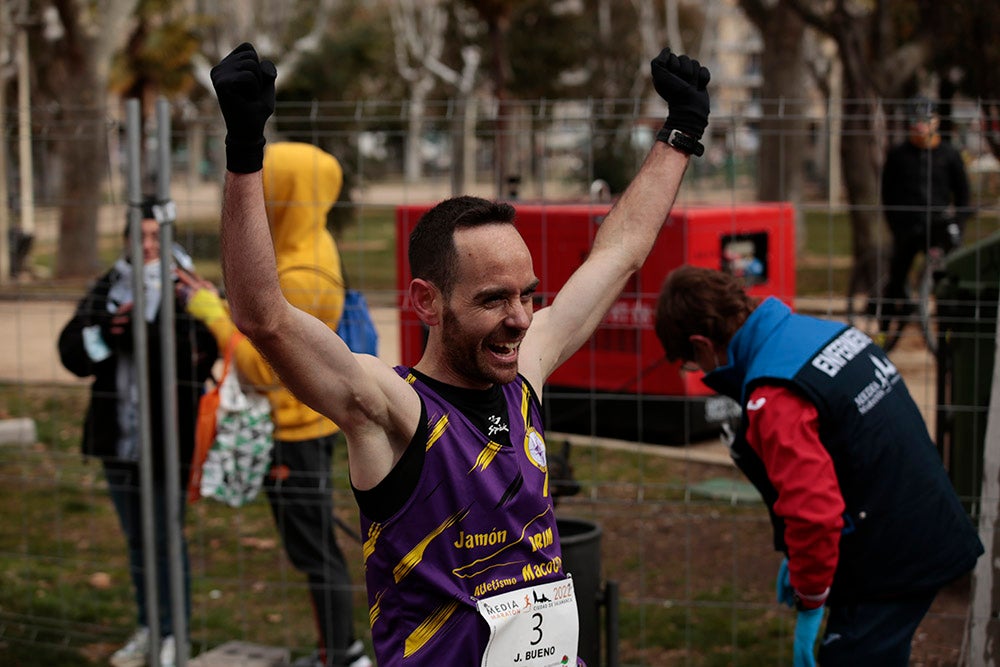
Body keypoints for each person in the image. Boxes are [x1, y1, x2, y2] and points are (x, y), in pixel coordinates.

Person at [209, 41, 710, 667]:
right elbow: (263, 315)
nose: (521, 320)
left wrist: (681, 132)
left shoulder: (526, 370)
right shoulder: (392, 411)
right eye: (493, 300)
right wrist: (245, 149)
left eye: (529, 295)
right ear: (427, 301)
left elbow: (621, 251)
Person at [653, 265, 984, 666]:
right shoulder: (825, 334)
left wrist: (811, 597)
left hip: (889, 564)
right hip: (924, 524)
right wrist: (798, 556)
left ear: (702, 345)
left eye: (693, 365)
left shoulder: (774, 394)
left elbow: (814, 516)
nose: (702, 374)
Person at [178, 141, 372, 667]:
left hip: (295, 429)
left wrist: (214, 317)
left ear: (290, 195)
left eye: (267, 188)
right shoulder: (300, 246)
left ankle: (343, 653)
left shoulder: (304, 273)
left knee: (313, 551)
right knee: (313, 546)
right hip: (300, 425)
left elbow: (265, 369)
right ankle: (338, 648)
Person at [57, 198, 219, 667]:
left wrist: (147, 336)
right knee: (136, 541)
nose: (148, 246)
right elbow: (72, 352)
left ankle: (175, 634)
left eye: (156, 236)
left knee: (167, 537)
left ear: (170, 238)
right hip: (119, 439)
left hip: (171, 442)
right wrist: (107, 332)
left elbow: (209, 350)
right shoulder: (109, 286)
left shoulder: (192, 289)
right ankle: (149, 628)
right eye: (139, 237)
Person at [881, 96, 972, 313]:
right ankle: (887, 323)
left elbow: (963, 192)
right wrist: (895, 224)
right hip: (907, 226)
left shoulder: (949, 154)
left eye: (925, 119)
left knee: (948, 274)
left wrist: (959, 222)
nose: (919, 125)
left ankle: (947, 319)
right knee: (897, 276)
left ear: (936, 121)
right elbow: (887, 193)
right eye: (915, 120)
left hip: (939, 225)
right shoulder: (898, 155)